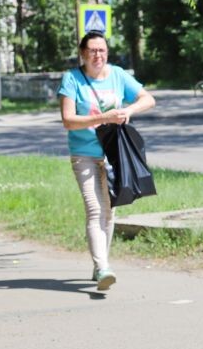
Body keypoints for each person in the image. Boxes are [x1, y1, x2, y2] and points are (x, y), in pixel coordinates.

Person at [58, 31, 156, 292]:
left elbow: (148, 99)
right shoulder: (72, 79)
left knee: (110, 211)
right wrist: (103, 118)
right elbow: (68, 120)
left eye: (102, 50)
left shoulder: (118, 75)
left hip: (115, 153)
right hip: (84, 154)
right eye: (92, 50)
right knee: (94, 209)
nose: (97, 55)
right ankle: (102, 267)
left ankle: (100, 262)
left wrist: (127, 111)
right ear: (83, 53)